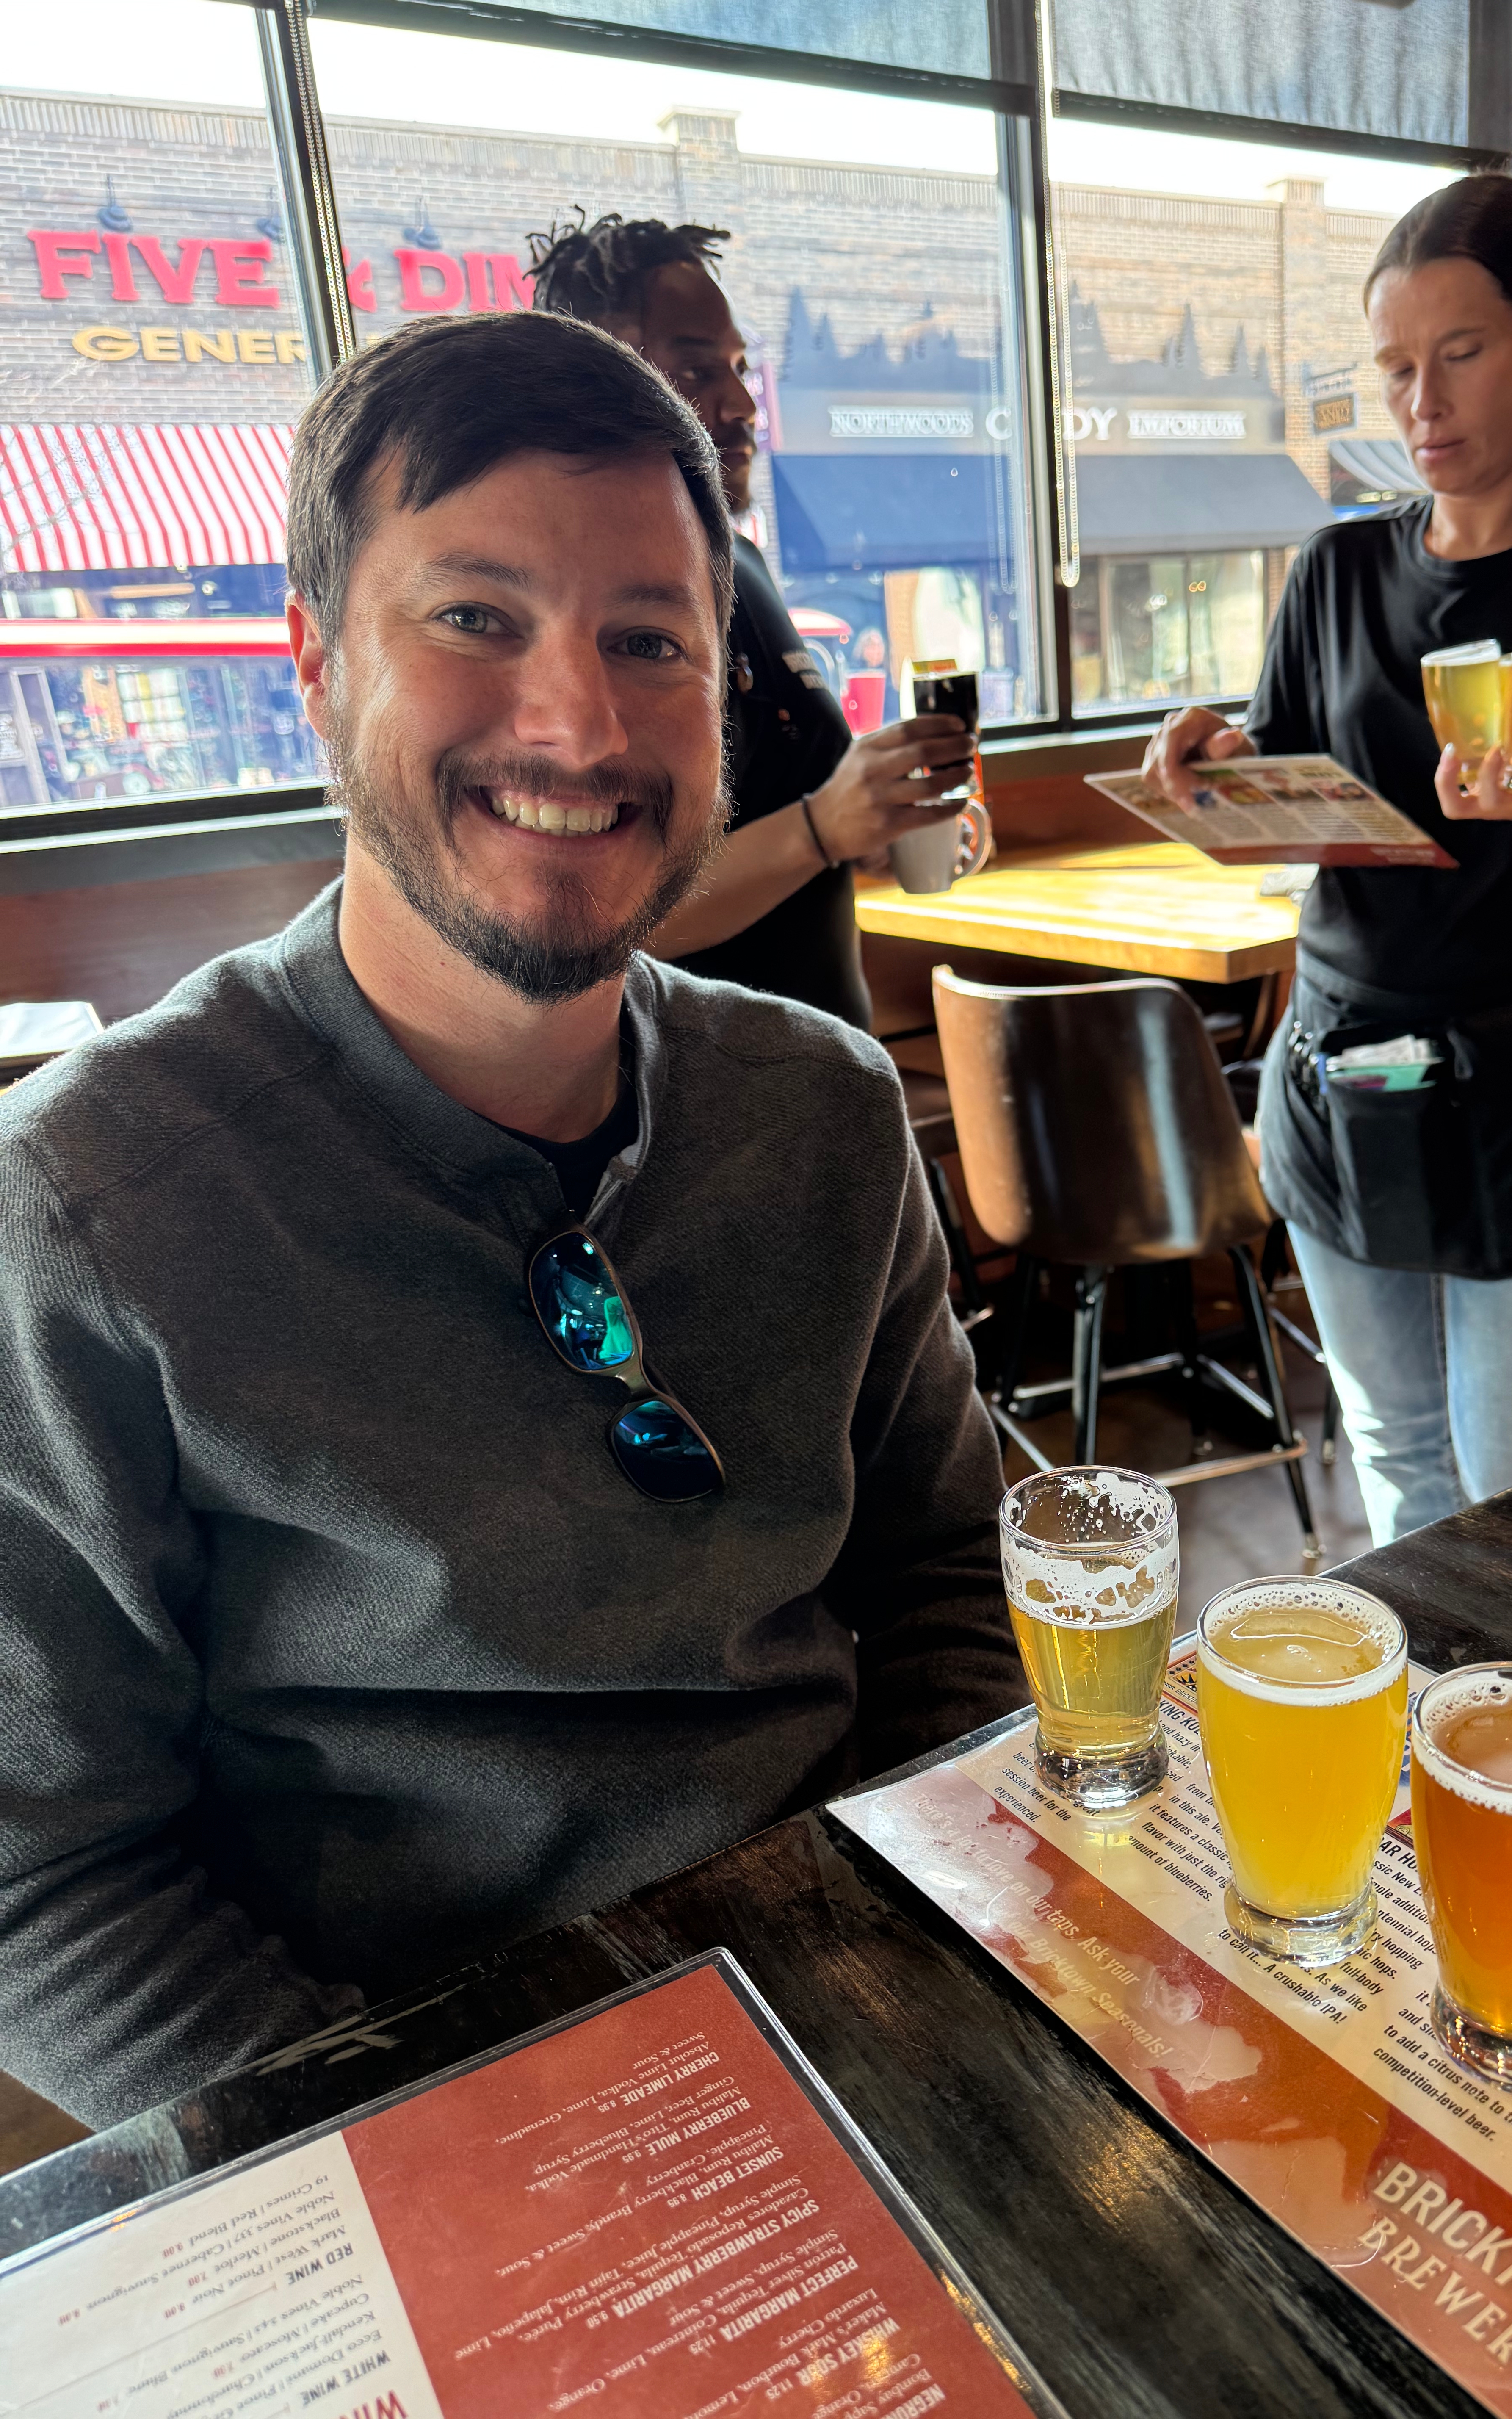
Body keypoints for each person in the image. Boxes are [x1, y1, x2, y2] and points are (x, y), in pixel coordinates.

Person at [0, 310, 1022, 2129]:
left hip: (869, 2019)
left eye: (651, 642)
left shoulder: (824, 1112)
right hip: (420, 2117)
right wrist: (463, 2167)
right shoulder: (95, 1206)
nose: (580, 722)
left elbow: (956, 1581)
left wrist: (905, 1948)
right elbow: (46, 1886)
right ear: (318, 663)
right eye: (476, 619)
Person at [1144, 174, 1512, 1546]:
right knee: (1399, 1466)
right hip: (1344, 1066)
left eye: (1460, 354)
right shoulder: (1336, 569)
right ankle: (1431, 1747)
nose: (1422, 402)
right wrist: (1213, 764)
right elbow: (1279, 781)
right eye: (1397, 368)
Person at [528, 212, 972, 1027]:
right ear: (594, 377)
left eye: (738, 365)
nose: (740, 402)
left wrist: (876, 825)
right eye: (696, 368)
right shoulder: (586, 603)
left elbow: (789, 817)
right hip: (707, 1112)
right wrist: (821, 829)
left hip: (827, 1084)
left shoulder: (739, 562)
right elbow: (613, 918)